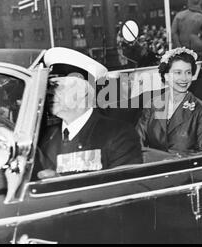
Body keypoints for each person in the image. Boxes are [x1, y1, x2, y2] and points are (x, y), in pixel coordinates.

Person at [36, 47, 142, 178]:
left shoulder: (119, 134)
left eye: (57, 85)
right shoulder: (45, 138)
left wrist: (62, 184)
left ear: (82, 91)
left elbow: (124, 188)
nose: (49, 92)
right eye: (49, 86)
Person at [135, 47, 202, 155]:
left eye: (188, 72)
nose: (184, 78)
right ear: (166, 75)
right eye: (178, 72)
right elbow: (136, 143)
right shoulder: (153, 104)